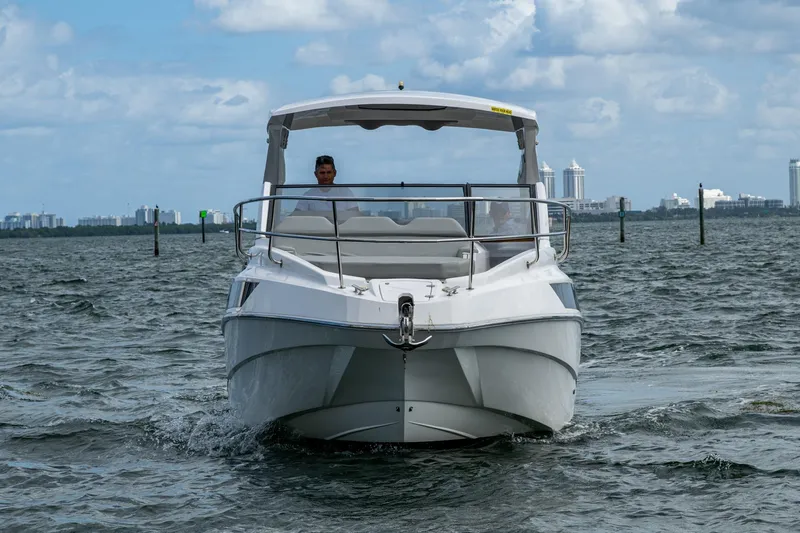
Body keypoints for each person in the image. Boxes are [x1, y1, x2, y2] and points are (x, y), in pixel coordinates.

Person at [292, 155, 360, 214]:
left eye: (329, 172)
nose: (326, 176)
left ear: (335, 173)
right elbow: (295, 216)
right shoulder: (308, 195)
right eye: (322, 173)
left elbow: (355, 216)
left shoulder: (346, 193)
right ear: (316, 174)